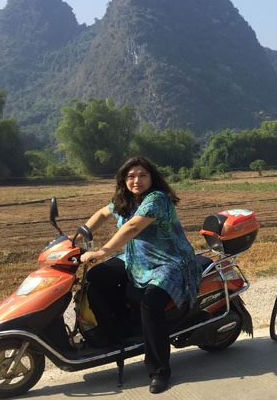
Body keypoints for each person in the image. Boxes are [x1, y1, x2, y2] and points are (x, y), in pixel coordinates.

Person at [81, 156, 203, 393]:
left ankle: (160, 370)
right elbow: (102, 215)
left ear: (152, 178)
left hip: (169, 261)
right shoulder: (124, 200)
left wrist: (104, 250)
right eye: (131, 176)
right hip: (136, 258)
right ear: (123, 180)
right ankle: (119, 331)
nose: (136, 180)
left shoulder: (156, 199)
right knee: (96, 278)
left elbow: (132, 227)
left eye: (142, 175)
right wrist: (78, 237)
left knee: (150, 303)